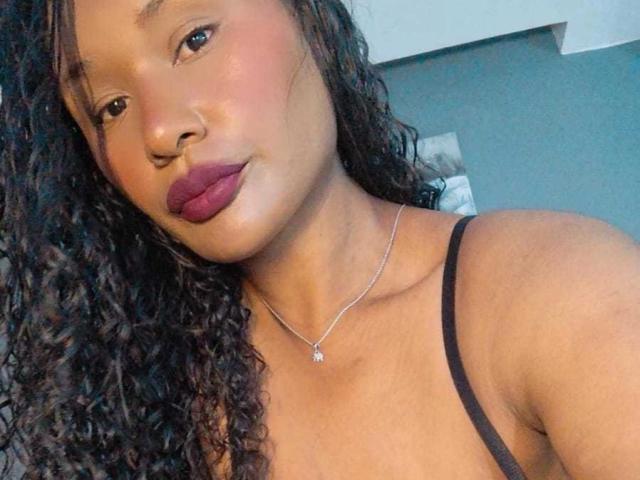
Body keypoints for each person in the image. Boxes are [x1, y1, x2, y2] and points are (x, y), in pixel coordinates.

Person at [0, 0, 638, 478]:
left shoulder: (555, 291)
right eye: (110, 107)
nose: (160, 130)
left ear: (309, 18)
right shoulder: (148, 404)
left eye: (194, 39)